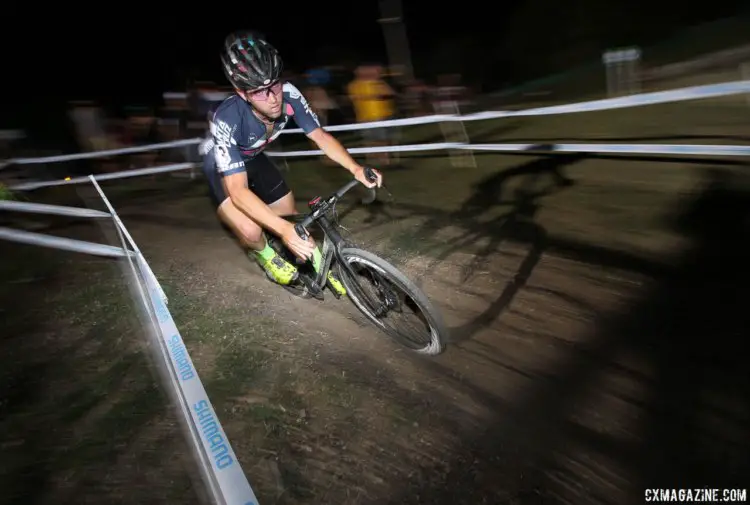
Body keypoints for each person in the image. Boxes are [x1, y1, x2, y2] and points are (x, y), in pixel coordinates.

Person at [202, 31, 382, 296]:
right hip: (223, 170)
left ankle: (311, 261)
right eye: (260, 92)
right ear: (242, 93)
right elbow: (238, 192)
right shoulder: (227, 118)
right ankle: (264, 255)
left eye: (275, 85)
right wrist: (283, 230)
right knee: (252, 230)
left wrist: (355, 168)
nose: (273, 97)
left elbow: (319, 136)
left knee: (291, 218)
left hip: (255, 158)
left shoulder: (290, 95)